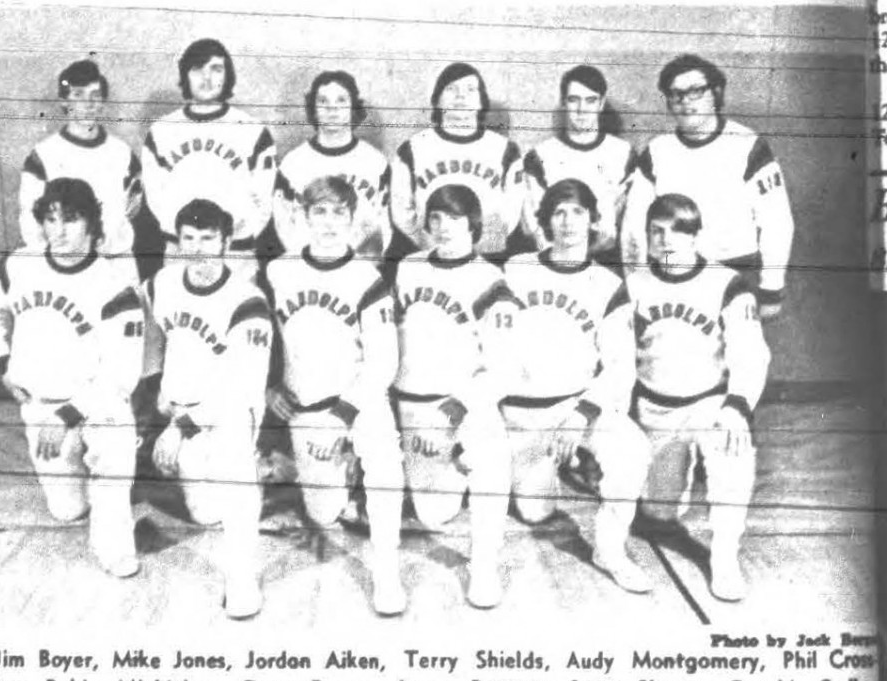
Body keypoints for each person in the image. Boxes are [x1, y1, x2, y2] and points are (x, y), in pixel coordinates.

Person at [0, 178, 144, 577]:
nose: (60, 230)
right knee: (67, 510)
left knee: (114, 445)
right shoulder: (16, 267)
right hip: (41, 405)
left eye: (71, 219)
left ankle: (115, 545)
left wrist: (70, 415)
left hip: (98, 404)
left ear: (92, 225)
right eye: (51, 219)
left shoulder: (113, 286)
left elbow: (122, 372)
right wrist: (1, 363)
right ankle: (90, 489)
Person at [499, 179, 652, 593]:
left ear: (594, 221)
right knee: (534, 512)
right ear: (545, 221)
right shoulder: (515, 270)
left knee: (633, 448)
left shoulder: (607, 285)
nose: (568, 222)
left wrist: (582, 413)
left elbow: (621, 367)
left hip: (574, 409)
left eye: (578, 212)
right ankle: (548, 468)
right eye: (559, 213)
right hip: (520, 414)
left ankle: (610, 550)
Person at [263, 177, 407, 615]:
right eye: (319, 212)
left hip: (358, 401)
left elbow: (384, 361)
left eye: (338, 213)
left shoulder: (368, 278)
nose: (328, 223)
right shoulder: (279, 271)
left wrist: (346, 414)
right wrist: (271, 387)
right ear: (302, 218)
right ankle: (337, 479)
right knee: (323, 514)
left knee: (385, 468)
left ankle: (387, 575)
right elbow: (266, 338)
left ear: (352, 219)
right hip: (308, 406)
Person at [627, 193, 770, 601]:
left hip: (710, 403)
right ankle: (674, 485)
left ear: (696, 236)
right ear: (647, 239)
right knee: (658, 517)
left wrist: (738, 406)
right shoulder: (633, 285)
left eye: (677, 231)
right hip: (654, 408)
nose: (666, 240)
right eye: (656, 231)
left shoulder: (727, 284)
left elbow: (751, 353)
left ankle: (724, 558)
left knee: (733, 447)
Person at [392, 184, 520, 609]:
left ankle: (482, 566)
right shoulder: (407, 268)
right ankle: (451, 468)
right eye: (436, 219)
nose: (444, 228)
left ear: (474, 225)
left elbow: (505, 366)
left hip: (464, 403)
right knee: (433, 514)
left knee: (492, 461)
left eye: (456, 219)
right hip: (413, 404)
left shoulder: (490, 279)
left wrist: (458, 407)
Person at [144, 198, 272, 618]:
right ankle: (263, 470)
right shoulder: (162, 283)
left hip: (231, 412)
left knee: (235, 482)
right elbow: (148, 339)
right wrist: (156, 396)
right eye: (189, 239)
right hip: (182, 412)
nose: (198, 250)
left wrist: (180, 426)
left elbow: (241, 384)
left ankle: (242, 579)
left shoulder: (247, 299)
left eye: (208, 239)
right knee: (204, 513)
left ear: (226, 241)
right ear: (178, 241)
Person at [622, 54, 794, 317]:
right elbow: (633, 228)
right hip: (674, 278)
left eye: (696, 91)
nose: (686, 102)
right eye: (676, 94)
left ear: (716, 93)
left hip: (737, 274)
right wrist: (637, 284)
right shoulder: (657, 151)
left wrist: (771, 289)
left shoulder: (747, 145)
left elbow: (777, 222)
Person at [142, 39, 277, 269]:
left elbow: (263, 201)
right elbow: (156, 199)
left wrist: (234, 236)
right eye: (197, 69)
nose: (207, 78)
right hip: (180, 251)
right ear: (185, 75)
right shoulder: (161, 131)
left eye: (216, 69)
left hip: (235, 254)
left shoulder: (253, 131)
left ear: (227, 76)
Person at [18, 60, 142, 283]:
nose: (88, 103)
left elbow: (134, 211)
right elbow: (31, 223)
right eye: (78, 95)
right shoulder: (44, 155)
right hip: (67, 271)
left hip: (117, 266)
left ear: (103, 101)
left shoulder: (122, 153)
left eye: (95, 95)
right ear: (64, 102)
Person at [390, 63, 524, 260]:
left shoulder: (505, 150)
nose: (461, 96)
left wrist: (481, 244)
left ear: (481, 101)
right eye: (451, 89)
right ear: (437, 100)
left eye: (470, 89)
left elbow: (511, 211)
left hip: (486, 257)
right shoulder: (412, 149)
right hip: (431, 255)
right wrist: (429, 241)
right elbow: (402, 211)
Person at [274, 71, 391, 259]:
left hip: (359, 269)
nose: (332, 109)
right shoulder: (293, 163)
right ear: (313, 108)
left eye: (341, 100)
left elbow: (385, 228)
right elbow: (282, 226)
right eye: (323, 101)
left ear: (354, 107)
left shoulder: (375, 162)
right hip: (305, 267)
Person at [522, 66, 635, 261]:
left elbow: (630, 224)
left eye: (590, 101)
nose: (582, 110)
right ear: (564, 102)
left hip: (607, 263)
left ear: (601, 104)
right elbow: (535, 228)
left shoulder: (624, 154)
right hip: (555, 261)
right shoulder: (540, 156)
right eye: (574, 100)